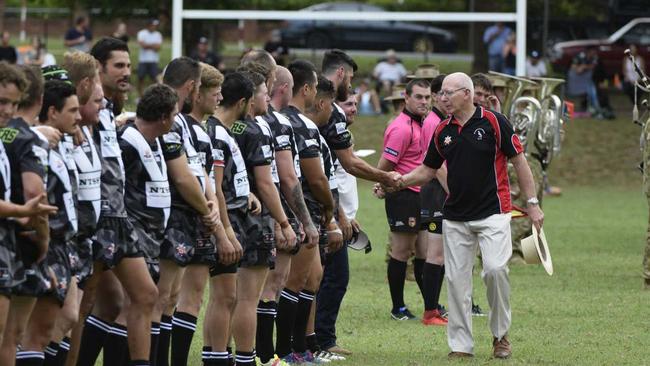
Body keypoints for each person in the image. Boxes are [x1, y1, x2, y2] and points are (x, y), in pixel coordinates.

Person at [397, 72, 544, 359]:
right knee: (457, 281)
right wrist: (400, 181)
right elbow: (428, 170)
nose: (442, 98)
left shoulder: (494, 122)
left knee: (495, 270)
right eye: (441, 94)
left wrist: (533, 203)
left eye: (448, 93)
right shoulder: (443, 131)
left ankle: (500, 336)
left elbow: (520, 161)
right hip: (455, 217)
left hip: (493, 213)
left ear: (466, 93)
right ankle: (461, 346)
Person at [76, 37, 159, 366]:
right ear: (98, 69)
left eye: (129, 65)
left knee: (141, 296)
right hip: (96, 221)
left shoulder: (110, 110)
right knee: (83, 306)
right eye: (119, 66)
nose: (127, 72)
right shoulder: (83, 111)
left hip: (117, 219)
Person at [17, 80, 82, 366]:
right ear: (52, 112)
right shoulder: (33, 144)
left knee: (65, 318)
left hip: (62, 242)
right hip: (42, 241)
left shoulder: (59, 142)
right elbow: (33, 198)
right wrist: (40, 244)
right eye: (73, 110)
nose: (78, 117)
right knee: (32, 330)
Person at [378, 78, 438, 322]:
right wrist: (381, 184)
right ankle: (398, 308)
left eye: (427, 97)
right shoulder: (401, 128)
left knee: (424, 252)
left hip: (421, 196)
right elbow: (384, 165)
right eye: (419, 97)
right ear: (406, 98)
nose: (424, 101)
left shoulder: (423, 124)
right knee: (401, 252)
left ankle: (430, 305)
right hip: (402, 196)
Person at [204, 72, 252, 366]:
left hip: (230, 215)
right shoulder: (218, 133)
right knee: (225, 296)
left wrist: (248, 193)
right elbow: (216, 187)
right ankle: (218, 357)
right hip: (225, 220)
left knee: (223, 296)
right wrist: (227, 231)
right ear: (243, 101)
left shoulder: (221, 130)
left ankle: (214, 354)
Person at [137, 19, 163, 97]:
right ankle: (140, 96)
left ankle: (154, 95)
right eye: (153, 25)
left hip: (153, 61)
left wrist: (147, 45)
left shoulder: (158, 34)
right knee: (140, 79)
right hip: (143, 60)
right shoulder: (142, 33)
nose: (154, 27)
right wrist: (153, 45)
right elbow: (142, 45)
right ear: (149, 25)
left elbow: (158, 47)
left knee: (155, 79)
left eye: (155, 26)